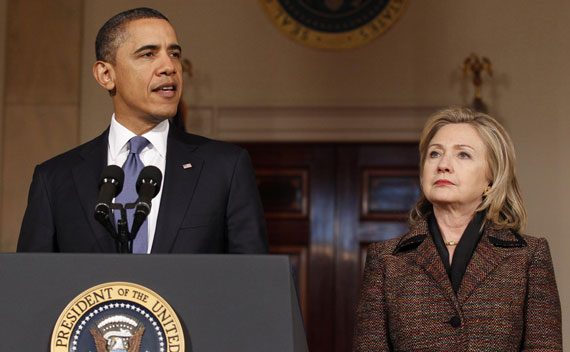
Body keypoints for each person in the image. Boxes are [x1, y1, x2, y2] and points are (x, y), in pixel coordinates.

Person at [17, 8, 268, 254]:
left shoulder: (225, 168)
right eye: (148, 54)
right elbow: (31, 285)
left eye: (174, 54)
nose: (169, 67)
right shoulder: (54, 179)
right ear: (106, 74)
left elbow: (253, 282)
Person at [353, 107, 561, 351]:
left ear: (491, 178)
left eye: (463, 155)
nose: (443, 165)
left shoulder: (529, 257)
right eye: (434, 154)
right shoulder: (385, 260)